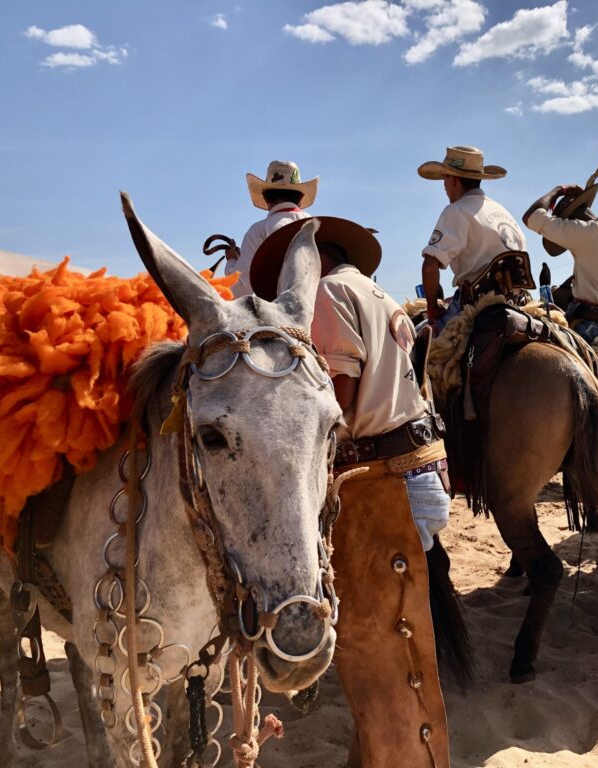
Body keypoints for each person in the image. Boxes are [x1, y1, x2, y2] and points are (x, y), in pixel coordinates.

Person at [249, 217, 453, 765]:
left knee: (375, 650)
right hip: (419, 467)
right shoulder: (378, 293)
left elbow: (336, 399)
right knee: (392, 641)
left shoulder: (330, 294)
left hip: (381, 483)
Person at [418, 145, 526, 331]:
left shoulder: (456, 211)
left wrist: (432, 308)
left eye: (445, 177)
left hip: (475, 306)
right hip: (516, 303)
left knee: (417, 343)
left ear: (454, 179)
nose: (443, 185)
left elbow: (430, 267)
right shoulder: (504, 213)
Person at [522, 183, 598, 343]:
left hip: (590, 326)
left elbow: (531, 217)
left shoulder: (586, 233)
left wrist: (559, 190)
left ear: (571, 222)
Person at [226, 160, 315, 298]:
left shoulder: (258, 231)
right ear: (300, 198)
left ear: (266, 197)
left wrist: (232, 262)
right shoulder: (318, 226)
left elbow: (240, 289)